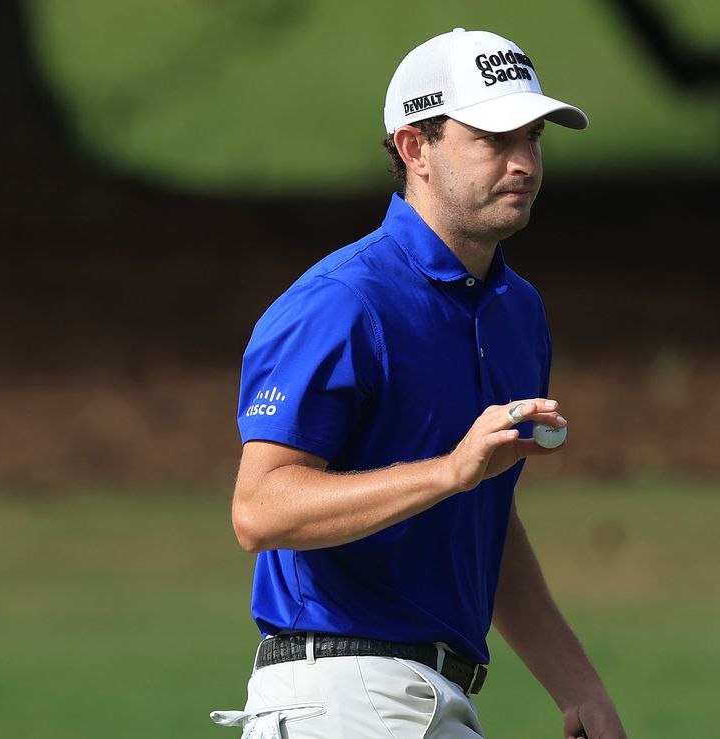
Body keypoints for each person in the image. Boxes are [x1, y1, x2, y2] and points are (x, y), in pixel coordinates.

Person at [209, 28, 627, 739]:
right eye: (495, 139)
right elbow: (259, 507)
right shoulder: (342, 301)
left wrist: (576, 683)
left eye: (533, 138)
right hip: (338, 695)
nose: (524, 162)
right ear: (414, 148)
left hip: (436, 699)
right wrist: (449, 472)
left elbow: (481, 520)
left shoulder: (516, 311)